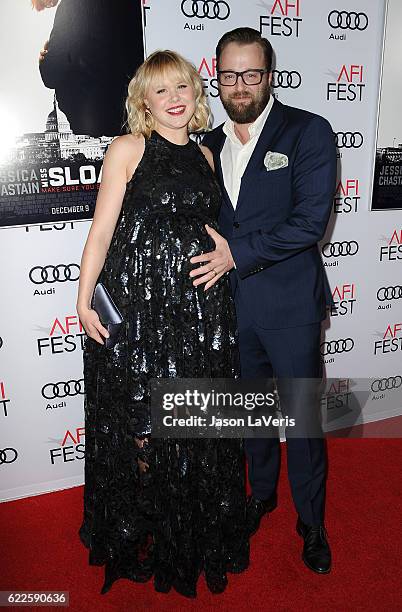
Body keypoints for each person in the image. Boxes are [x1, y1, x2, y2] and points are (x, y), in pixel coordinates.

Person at [76, 50, 250, 598]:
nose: (174, 99)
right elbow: (102, 230)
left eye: (182, 87)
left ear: (195, 95)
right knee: (142, 423)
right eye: (161, 91)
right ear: (143, 102)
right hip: (143, 311)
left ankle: (190, 530)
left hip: (200, 312)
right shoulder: (128, 149)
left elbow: (208, 222)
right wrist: (84, 300)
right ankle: (145, 529)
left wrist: (226, 245)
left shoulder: (206, 156)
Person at [191, 28, 337, 574]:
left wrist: (237, 255)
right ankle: (260, 495)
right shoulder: (204, 142)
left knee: (300, 421)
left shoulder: (307, 131)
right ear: (218, 78)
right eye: (229, 76)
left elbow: (308, 224)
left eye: (251, 74)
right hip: (230, 307)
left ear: (269, 74)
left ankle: (312, 521)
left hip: (289, 305)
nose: (240, 86)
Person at [33, 0, 144, 136]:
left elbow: (51, 74)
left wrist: (43, 61)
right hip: (131, 110)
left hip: (97, 118)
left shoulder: (73, 6)